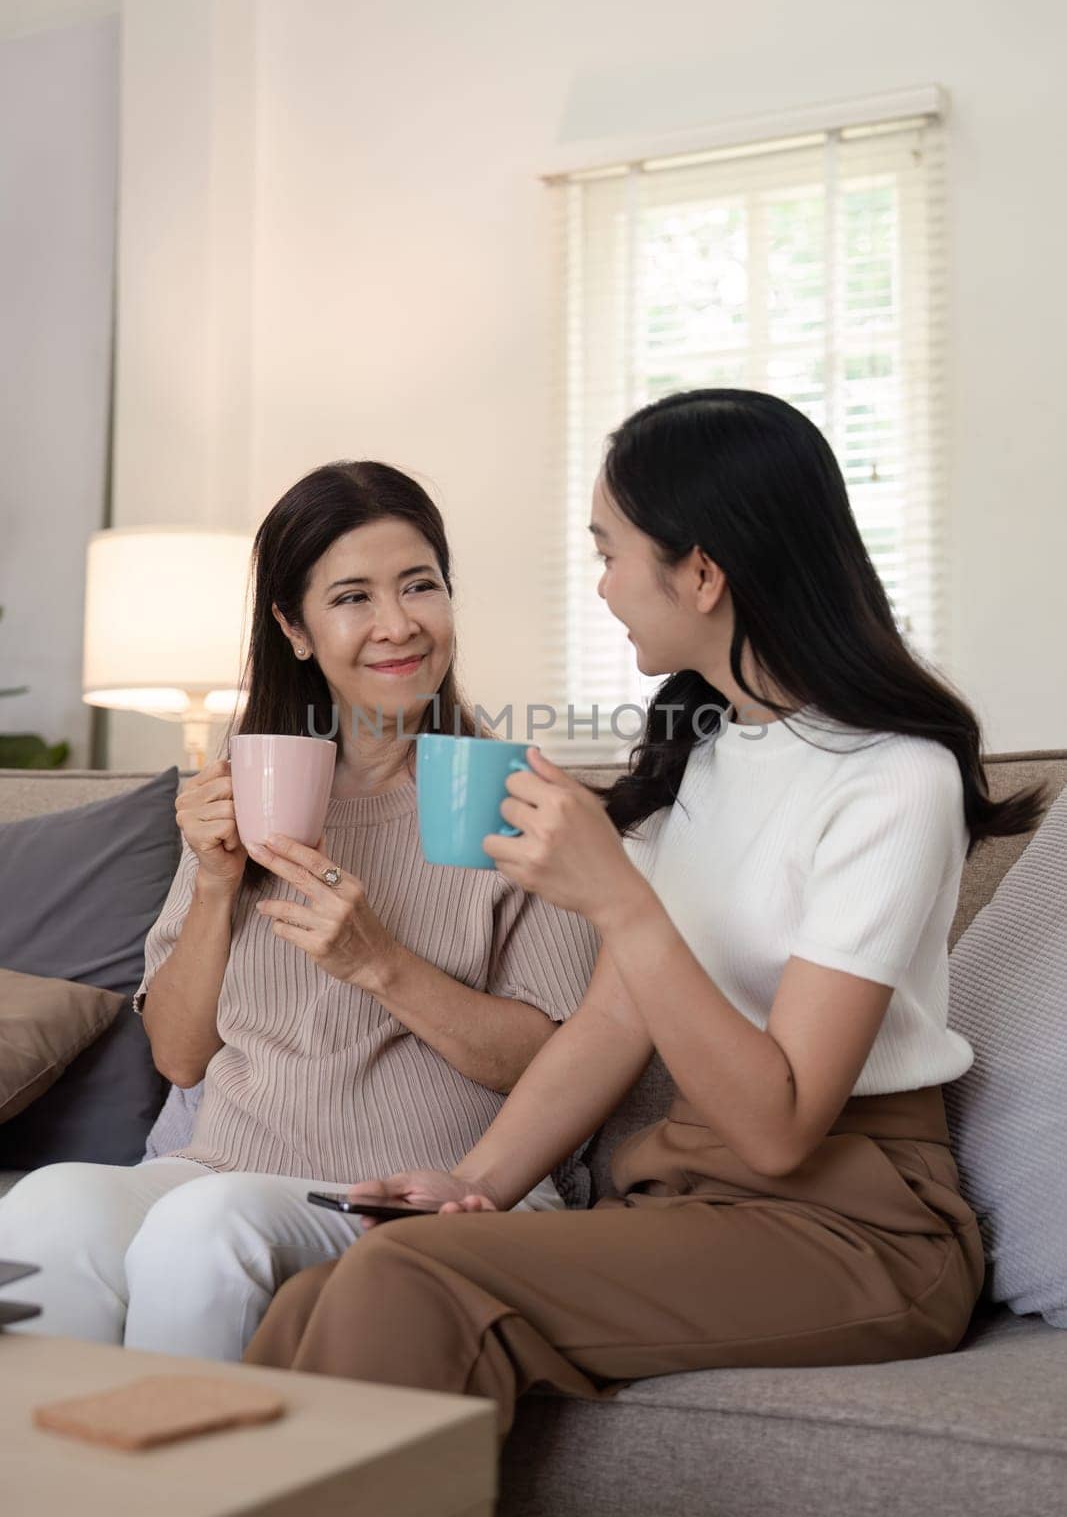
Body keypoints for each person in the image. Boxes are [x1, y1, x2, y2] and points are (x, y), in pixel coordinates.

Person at [243, 388, 1046, 1437]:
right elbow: (612, 1025)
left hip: (859, 1227)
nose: (603, 584)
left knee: (405, 1285)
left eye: (611, 551)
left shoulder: (892, 780)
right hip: (689, 1199)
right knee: (330, 1286)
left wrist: (618, 898)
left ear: (701, 572)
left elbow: (775, 1127)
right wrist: (469, 1180)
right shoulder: (705, 757)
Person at [0, 462, 597, 1359]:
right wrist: (211, 883)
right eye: (352, 596)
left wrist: (378, 962)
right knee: (46, 1205)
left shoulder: (512, 793)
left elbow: (548, 1067)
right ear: (295, 628)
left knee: (205, 1228)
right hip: (229, 1167)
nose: (397, 624)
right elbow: (180, 1054)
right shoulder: (253, 794)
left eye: (419, 585)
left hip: (425, 1186)